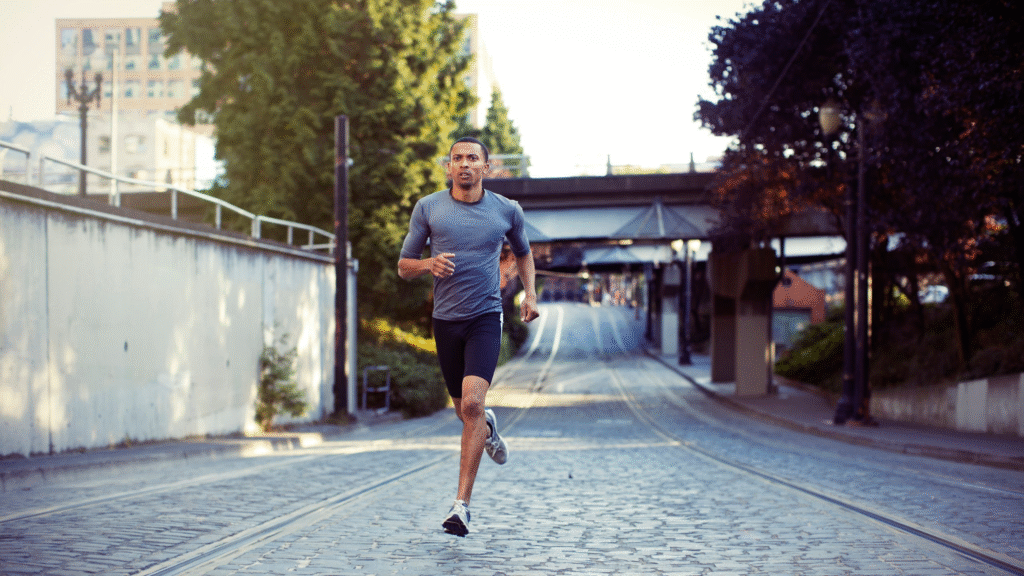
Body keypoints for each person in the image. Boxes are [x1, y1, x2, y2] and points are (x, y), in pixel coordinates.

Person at [398, 136, 539, 537]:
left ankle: (461, 506)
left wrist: (529, 294)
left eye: (472, 158)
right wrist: (428, 263)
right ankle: (489, 429)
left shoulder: (507, 210)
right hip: (446, 321)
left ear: (486, 168)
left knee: (473, 404)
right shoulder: (429, 208)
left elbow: (524, 252)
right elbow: (403, 266)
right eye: (457, 158)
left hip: (484, 317)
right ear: (448, 167)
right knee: (466, 413)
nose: (464, 164)